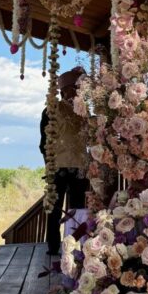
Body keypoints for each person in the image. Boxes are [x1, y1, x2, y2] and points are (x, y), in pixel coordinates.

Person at [40, 67, 89, 258]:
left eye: (78, 90)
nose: (76, 93)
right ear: (63, 91)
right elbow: (43, 142)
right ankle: (53, 246)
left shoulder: (84, 111)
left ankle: (74, 244)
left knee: (77, 209)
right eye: (72, 90)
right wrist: (50, 163)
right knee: (54, 207)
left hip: (79, 167)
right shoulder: (51, 110)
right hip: (58, 165)